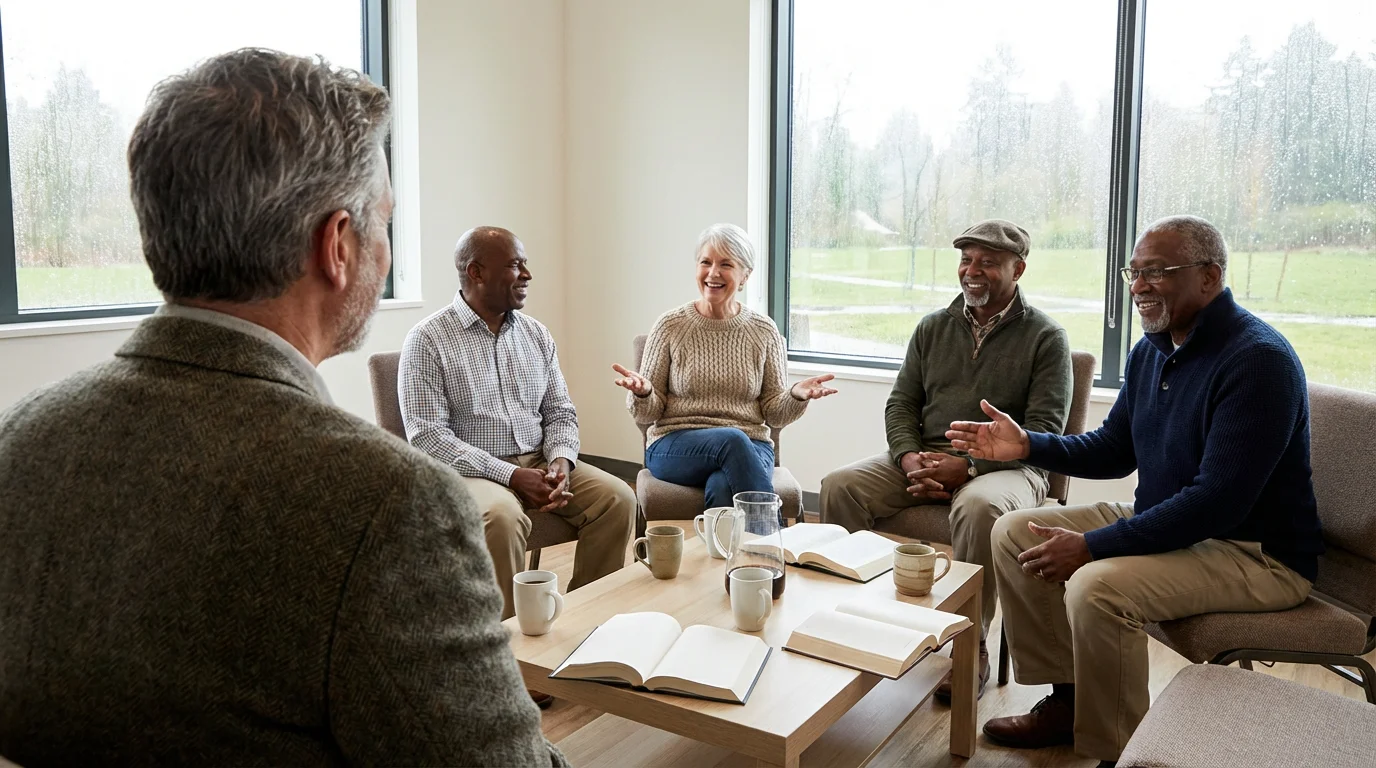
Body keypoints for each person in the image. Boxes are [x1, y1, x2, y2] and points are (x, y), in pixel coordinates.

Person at [0, 49, 565, 766]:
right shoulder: (390, 505)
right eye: (383, 225)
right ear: (337, 246)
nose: (385, 255)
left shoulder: (18, 443)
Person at [948, 215, 1323, 765]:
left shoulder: (1256, 360)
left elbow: (1218, 502)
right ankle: (1068, 703)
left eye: (1158, 272)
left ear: (1209, 278)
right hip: (1180, 525)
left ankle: (1119, 750)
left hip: (1255, 553)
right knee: (1013, 531)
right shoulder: (1152, 349)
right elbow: (1114, 448)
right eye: (1135, 271)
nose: (1139, 286)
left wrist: (1095, 545)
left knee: (1097, 585)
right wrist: (1028, 445)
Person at [819, 219, 1072, 701]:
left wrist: (971, 468)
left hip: (1011, 468)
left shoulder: (1046, 338)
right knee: (839, 485)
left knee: (978, 508)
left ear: (1018, 269)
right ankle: (855, 620)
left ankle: (967, 645)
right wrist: (909, 455)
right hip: (927, 455)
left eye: (988, 263)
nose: (972, 271)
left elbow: (1044, 433)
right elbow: (901, 404)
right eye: (966, 260)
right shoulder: (932, 327)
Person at [400, 226, 635, 627]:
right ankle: (514, 650)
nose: (527, 275)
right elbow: (428, 437)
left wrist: (561, 463)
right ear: (476, 272)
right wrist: (511, 475)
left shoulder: (536, 335)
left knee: (617, 500)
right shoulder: (427, 340)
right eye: (515, 265)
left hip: (539, 458)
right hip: (471, 471)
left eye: (525, 264)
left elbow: (561, 410)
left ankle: (585, 623)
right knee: (502, 519)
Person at [611, 223, 837, 508]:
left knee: (723, 484)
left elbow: (774, 415)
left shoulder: (764, 331)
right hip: (675, 445)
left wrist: (795, 395)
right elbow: (647, 414)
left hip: (751, 445)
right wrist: (643, 392)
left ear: (745, 276)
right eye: (706, 262)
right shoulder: (670, 326)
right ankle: (773, 542)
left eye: (726, 264)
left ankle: (725, 553)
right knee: (732, 440)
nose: (713, 273)